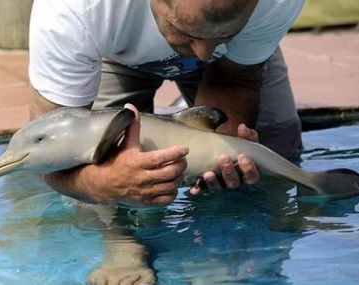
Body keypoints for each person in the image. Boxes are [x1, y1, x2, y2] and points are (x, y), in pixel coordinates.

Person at [28, 0, 304, 207]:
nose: (203, 53)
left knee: (276, 148)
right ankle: (123, 247)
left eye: (222, 35)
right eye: (186, 32)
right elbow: (51, 155)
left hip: (232, 62)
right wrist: (103, 184)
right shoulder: (75, 10)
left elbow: (233, 79)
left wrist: (218, 153)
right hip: (116, 50)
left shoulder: (276, 2)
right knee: (100, 165)